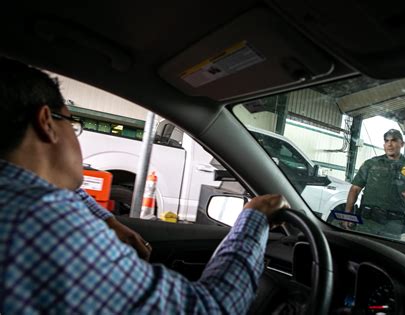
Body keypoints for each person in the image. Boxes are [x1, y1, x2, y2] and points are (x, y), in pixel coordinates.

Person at [0, 57, 288, 314]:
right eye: (73, 125)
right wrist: (255, 217)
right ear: (47, 123)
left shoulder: (19, 201)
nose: (77, 139)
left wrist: (107, 220)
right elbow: (210, 307)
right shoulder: (44, 219)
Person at [343, 129, 405, 239]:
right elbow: (355, 189)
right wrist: (347, 214)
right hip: (367, 223)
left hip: (393, 227)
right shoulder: (371, 164)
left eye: (394, 140)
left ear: (402, 144)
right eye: (387, 141)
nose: (389, 144)